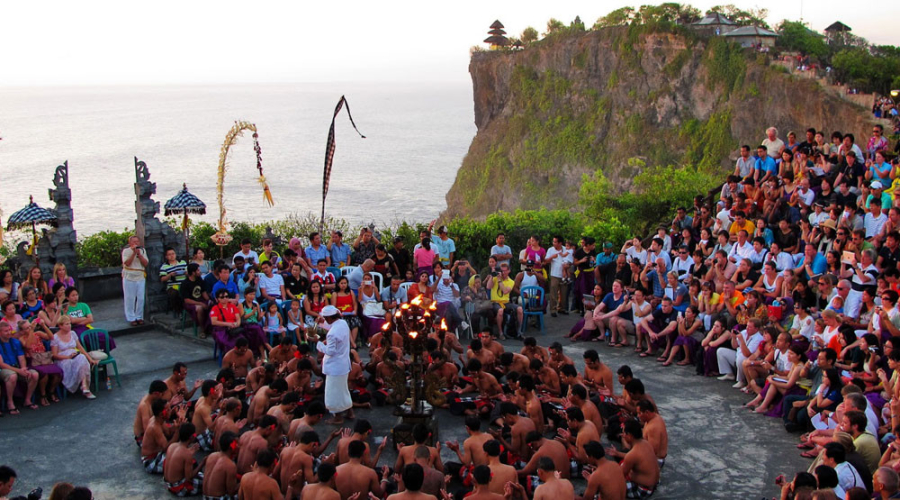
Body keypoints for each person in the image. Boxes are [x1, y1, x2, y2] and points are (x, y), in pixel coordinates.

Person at [317, 305, 352, 424]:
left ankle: (338, 417)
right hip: (343, 364)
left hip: (335, 367)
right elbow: (332, 327)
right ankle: (350, 412)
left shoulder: (332, 334)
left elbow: (330, 351)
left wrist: (318, 343)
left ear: (329, 318)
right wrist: (322, 324)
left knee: (334, 392)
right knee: (343, 390)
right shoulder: (343, 323)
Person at [50, 315, 96, 399]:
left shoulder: (73, 333)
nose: (69, 326)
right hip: (63, 358)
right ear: (60, 326)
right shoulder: (55, 337)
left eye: (70, 324)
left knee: (82, 358)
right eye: (66, 324)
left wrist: (90, 359)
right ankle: (82, 386)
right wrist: (67, 357)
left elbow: (80, 348)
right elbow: (54, 355)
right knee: (71, 363)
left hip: (74, 355)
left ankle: (84, 385)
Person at [0, 321, 40, 414]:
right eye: (6, 331)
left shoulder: (15, 342)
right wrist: (18, 370)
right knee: (12, 376)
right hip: (5, 369)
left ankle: (27, 400)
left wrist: (23, 368)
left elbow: (21, 358)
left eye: (9, 330)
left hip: (17, 367)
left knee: (34, 374)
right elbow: (1, 364)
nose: (9, 332)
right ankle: (10, 402)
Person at [617, 419, 660, 498]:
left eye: (623, 433)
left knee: (609, 485)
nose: (622, 435)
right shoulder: (646, 443)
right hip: (654, 485)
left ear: (629, 435)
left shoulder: (632, 454)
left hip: (643, 490)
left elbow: (620, 476)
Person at [163, 422, 206, 496]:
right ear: (191, 437)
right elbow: (189, 477)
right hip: (178, 488)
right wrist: (203, 463)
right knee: (208, 482)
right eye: (195, 435)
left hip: (169, 484)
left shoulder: (172, 446)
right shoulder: (186, 454)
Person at [122, 235, 149, 326]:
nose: (136, 243)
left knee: (141, 298)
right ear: (130, 243)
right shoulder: (126, 251)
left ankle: (139, 316)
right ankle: (131, 317)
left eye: (137, 242)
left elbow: (145, 263)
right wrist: (133, 253)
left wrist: (139, 254)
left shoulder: (142, 251)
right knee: (130, 298)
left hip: (140, 276)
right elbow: (127, 263)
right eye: (134, 242)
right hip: (129, 276)